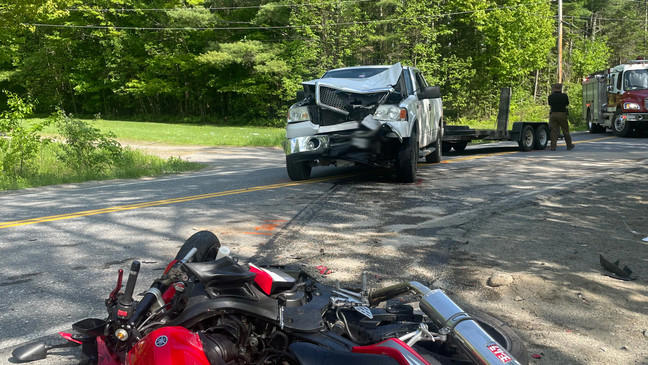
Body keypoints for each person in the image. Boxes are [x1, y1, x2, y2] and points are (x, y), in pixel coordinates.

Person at [547, 83, 574, 151]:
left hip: (553, 114)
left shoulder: (550, 96)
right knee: (565, 130)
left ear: (554, 88)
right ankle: (569, 145)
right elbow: (567, 103)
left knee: (553, 131)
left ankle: (553, 147)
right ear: (560, 88)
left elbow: (550, 104)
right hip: (562, 114)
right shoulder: (564, 96)